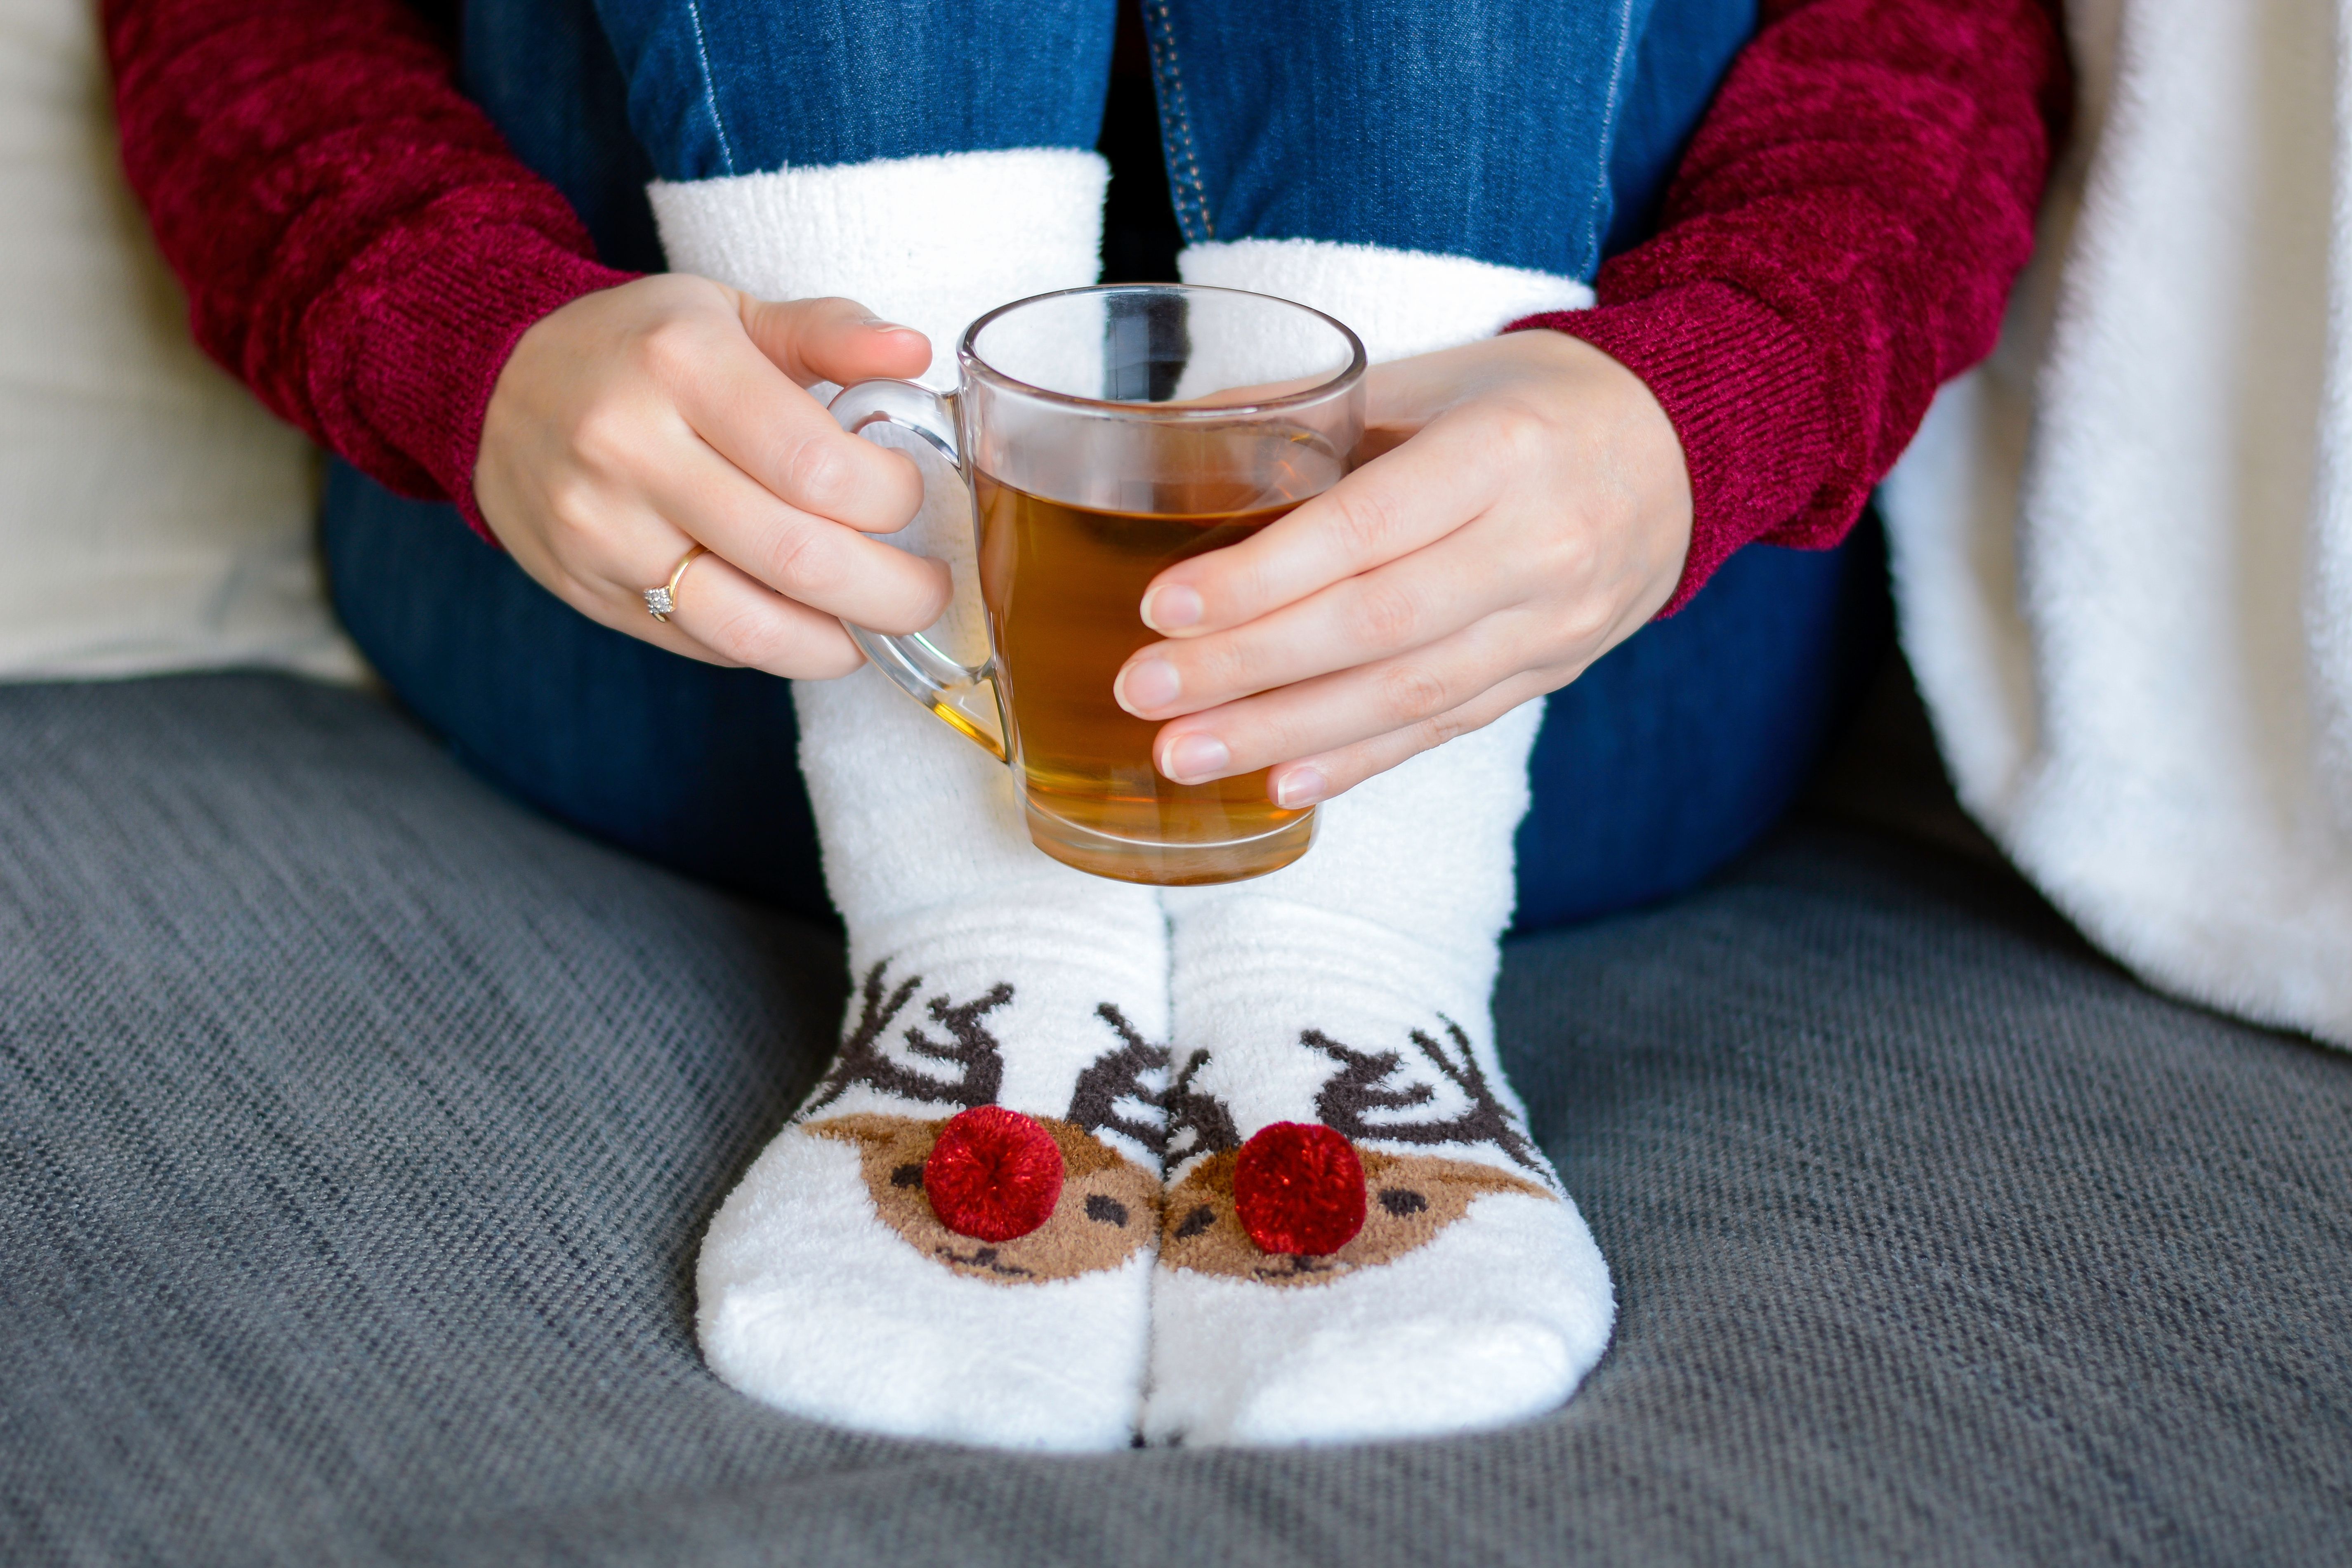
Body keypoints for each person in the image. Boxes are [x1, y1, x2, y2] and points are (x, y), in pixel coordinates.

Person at [106, 0, 2064, 1449]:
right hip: (679, 601)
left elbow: (1935, 42)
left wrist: (1720, 393)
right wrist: (458, 323)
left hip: (1571, 663)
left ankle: (1348, 953)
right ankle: (979, 946)